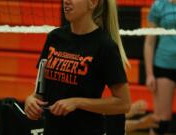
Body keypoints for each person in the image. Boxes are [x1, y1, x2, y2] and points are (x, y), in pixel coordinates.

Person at [24, 0, 131, 135]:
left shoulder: (105, 46)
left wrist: (77, 102)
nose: (66, 2)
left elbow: (124, 103)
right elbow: (39, 93)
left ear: (92, 3)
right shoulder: (54, 37)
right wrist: (31, 101)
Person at [144, 0, 176, 134]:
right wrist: (150, 74)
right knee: (161, 122)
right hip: (164, 66)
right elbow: (149, 43)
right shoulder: (159, 6)